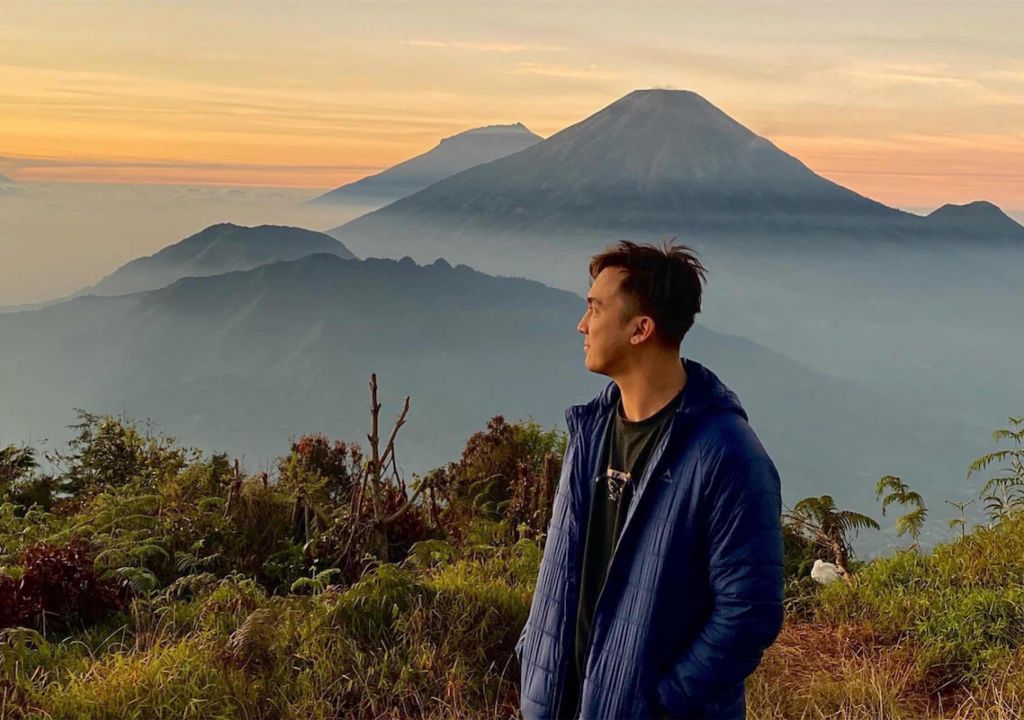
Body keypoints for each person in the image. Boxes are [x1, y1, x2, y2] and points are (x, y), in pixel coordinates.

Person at [515, 240, 785, 719]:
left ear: (641, 329)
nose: (582, 325)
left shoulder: (726, 454)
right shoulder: (590, 431)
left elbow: (749, 613)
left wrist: (661, 703)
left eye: (595, 309)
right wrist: (534, 657)